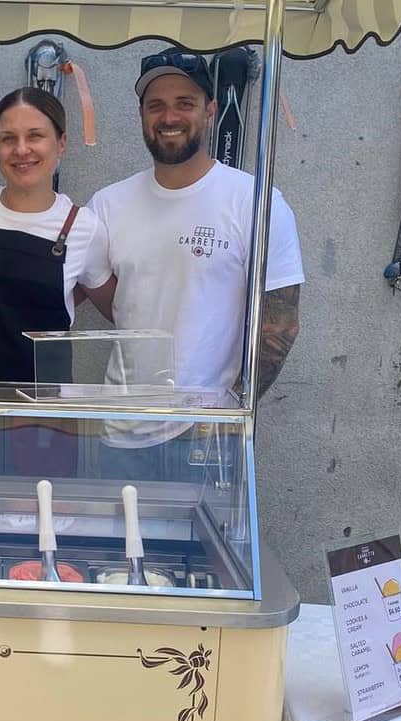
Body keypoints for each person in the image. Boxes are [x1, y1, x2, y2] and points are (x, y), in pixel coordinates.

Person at [85, 49, 304, 478]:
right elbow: (116, 302)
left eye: (184, 103)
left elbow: (281, 326)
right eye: (156, 105)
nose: (169, 116)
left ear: (210, 110)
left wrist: (229, 413)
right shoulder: (107, 205)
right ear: (142, 114)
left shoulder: (255, 202)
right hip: (118, 433)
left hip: (207, 440)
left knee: (201, 548)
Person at [0, 88, 113, 476]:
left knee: (36, 520)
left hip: (41, 413)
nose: (21, 149)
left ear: (61, 143)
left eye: (35, 136)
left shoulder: (83, 227)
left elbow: (113, 304)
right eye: (8, 139)